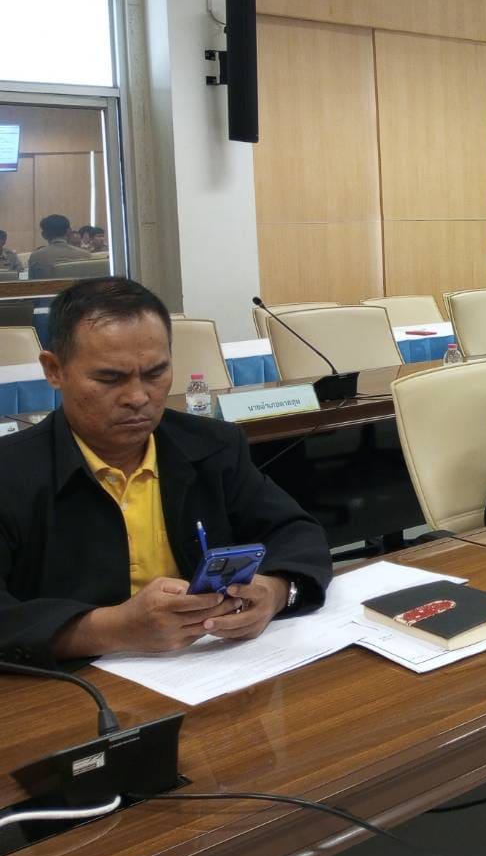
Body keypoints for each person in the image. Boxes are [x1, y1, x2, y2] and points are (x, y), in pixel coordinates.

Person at [0, 278, 331, 664]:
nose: (138, 397)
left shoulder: (212, 446)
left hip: (206, 666)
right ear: (54, 370)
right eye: (110, 378)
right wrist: (112, 628)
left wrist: (275, 591)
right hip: (70, 682)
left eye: (155, 373)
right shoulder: (11, 473)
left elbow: (296, 532)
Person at [26, 214, 92, 279]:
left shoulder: (36, 256)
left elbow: (31, 283)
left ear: (44, 235)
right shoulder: (85, 255)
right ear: (69, 231)